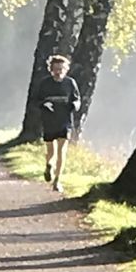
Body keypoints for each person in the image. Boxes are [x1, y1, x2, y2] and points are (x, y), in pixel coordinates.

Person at [33, 54, 81, 192]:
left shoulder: (70, 83)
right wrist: (44, 104)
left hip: (64, 121)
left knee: (62, 151)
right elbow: (37, 100)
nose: (59, 72)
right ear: (51, 70)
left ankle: (57, 181)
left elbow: (77, 99)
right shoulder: (45, 83)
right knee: (51, 151)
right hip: (49, 120)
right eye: (56, 69)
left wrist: (74, 105)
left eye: (61, 69)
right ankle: (48, 165)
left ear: (66, 69)